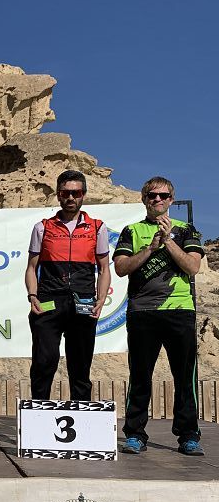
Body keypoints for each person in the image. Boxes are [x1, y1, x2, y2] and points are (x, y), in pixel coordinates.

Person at [113, 176, 205, 456]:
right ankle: (135, 434)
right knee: (140, 375)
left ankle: (189, 435)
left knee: (184, 377)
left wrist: (169, 242)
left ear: (171, 200)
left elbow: (192, 267)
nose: (157, 200)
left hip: (179, 310)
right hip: (143, 312)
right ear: (144, 199)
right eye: (152, 196)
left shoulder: (186, 230)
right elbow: (120, 267)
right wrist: (152, 246)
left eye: (163, 196)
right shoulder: (132, 230)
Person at [25, 170, 111, 400]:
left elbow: (104, 268)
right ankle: (38, 414)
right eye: (66, 192)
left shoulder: (97, 227)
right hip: (49, 301)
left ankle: (81, 417)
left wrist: (100, 299)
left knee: (80, 366)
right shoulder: (42, 227)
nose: (71, 197)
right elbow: (31, 268)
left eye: (76, 192)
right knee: (44, 361)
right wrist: (32, 295)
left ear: (84, 195)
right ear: (58, 195)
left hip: (83, 303)